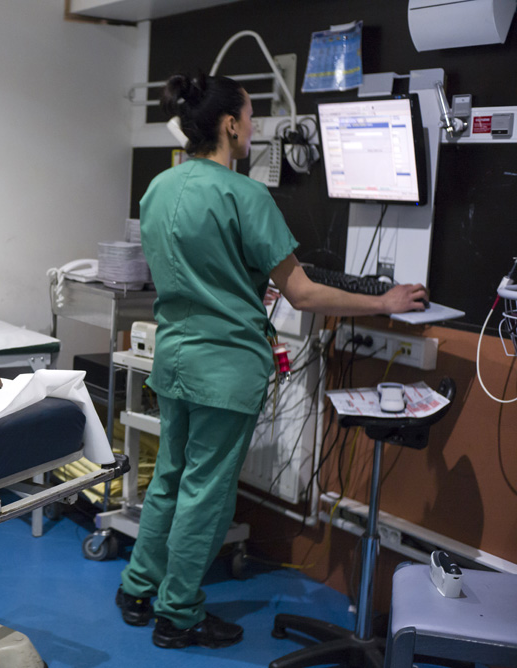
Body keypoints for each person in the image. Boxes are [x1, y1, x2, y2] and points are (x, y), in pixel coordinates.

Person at [114, 73, 428, 651]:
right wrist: (382, 299)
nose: (254, 130)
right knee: (207, 493)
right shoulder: (247, 196)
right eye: (252, 119)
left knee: (170, 478)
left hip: (176, 358)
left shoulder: (159, 188)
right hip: (224, 367)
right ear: (231, 125)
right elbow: (303, 293)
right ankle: (177, 614)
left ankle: (137, 588)